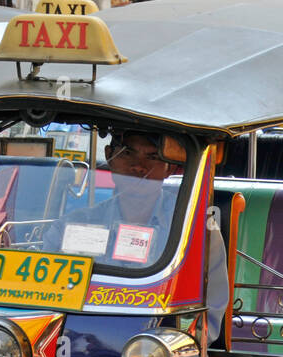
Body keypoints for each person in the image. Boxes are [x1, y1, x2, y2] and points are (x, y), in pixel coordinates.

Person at [48, 128, 229, 343]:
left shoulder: (199, 228)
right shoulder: (70, 225)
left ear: (170, 167)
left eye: (153, 157)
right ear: (109, 156)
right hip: (82, 346)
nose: (138, 167)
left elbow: (210, 313)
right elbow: (48, 298)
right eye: (127, 153)